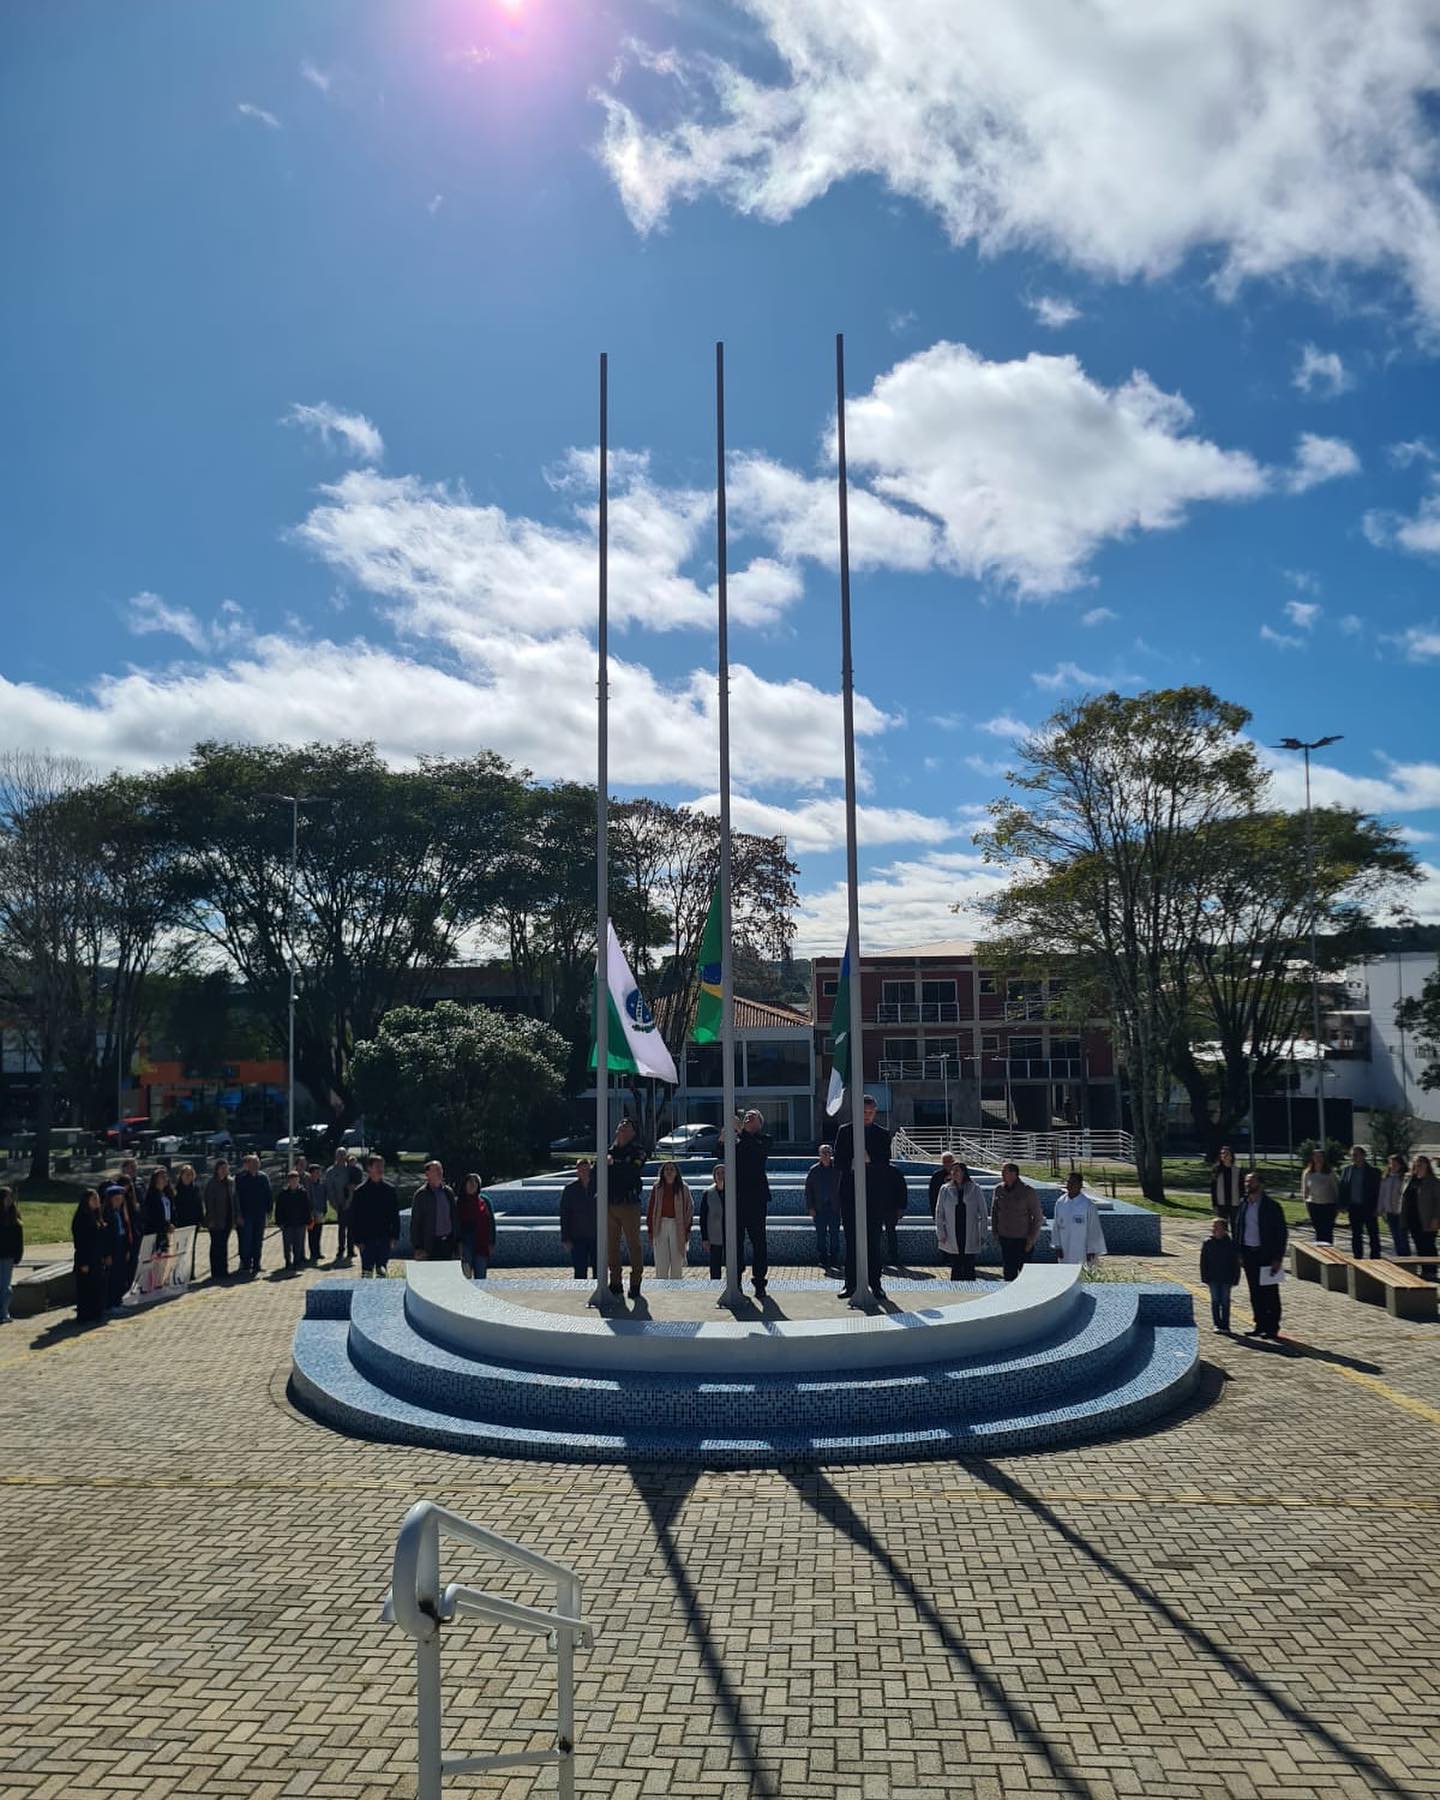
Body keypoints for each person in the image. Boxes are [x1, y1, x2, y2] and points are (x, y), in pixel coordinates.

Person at [835, 1094, 890, 1302]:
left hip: (873, 1195)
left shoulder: (882, 1134)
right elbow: (838, 1162)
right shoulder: (845, 1131)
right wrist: (852, 1163)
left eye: (870, 1112)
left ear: (875, 1113)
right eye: (864, 1112)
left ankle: (875, 1284)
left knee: (873, 1241)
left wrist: (870, 1160)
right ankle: (850, 1283)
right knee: (851, 1241)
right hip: (850, 1194)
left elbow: (885, 1163)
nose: (867, 1116)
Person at [1235, 1170, 1288, 1340]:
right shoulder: (1243, 1204)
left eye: (1251, 1181)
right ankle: (1259, 1324)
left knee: (1270, 1291)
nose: (1248, 1184)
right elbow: (1238, 1228)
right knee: (1255, 1291)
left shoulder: (1271, 1206)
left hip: (1266, 1254)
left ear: (1260, 1184)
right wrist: (1239, 1252)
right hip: (1248, 1253)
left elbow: (1281, 1233)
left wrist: (1278, 1258)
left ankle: (1272, 1327)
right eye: (1246, 1182)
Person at [605, 1117, 647, 1300]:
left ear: (632, 1133)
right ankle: (615, 1282)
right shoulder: (609, 1151)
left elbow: (632, 1170)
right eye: (620, 1126)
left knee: (633, 1245)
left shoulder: (638, 1151)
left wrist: (614, 1164)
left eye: (627, 1126)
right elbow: (598, 1171)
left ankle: (635, 1283)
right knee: (611, 1246)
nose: (622, 1128)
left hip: (629, 1204)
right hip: (610, 1204)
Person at [734, 1110, 771, 1300]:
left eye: (753, 1115)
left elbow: (758, 1153)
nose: (747, 1117)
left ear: (760, 1123)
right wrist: (725, 1137)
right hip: (736, 1198)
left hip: (756, 1199)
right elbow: (719, 1153)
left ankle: (759, 1283)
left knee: (759, 1242)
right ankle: (735, 1281)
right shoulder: (737, 1139)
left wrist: (743, 1132)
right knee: (735, 1242)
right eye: (746, 1115)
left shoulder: (765, 1139)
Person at [990, 1162, 1043, 1282]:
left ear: (1014, 1174)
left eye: (1005, 1171)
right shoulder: (999, 1190)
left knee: (1025, 1277)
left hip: (1022, 1240)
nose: (1002, 1174)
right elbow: (994, 1212)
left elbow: (1038, 1217)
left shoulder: (1027, 1191)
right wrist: (995, 1232)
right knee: (1008, 1273)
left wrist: (1031, 1240)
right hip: (1005, 1239)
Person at [934, 1161, 986, 1281]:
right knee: (956, 1264)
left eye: (957, 1170)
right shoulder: (945, 1189)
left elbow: (983, 1213)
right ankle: (956, 1287)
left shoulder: (975, 1189)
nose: (954, 1173)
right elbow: (939, 1213)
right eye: (953, 1170)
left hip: (969, 1231)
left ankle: (970, 1287)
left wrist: (983, 1234)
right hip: (953, 1231)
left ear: (964, 1172)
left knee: (969, 1264)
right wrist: (941, 1233)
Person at [351, 1154, 400, 1278]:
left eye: (382, 1166)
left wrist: (394, 1236)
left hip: (384, 1238)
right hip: (367, 1240)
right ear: (369, 1168)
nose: (381, 1169)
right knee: (367, 1273)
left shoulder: (389, 1190)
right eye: (377, 1166)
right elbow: (355, 1218)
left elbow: (395, 1214)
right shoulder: (360, 1192)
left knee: (382, 1272)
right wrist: (357, 1240)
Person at [647, 1160, 693, 1280]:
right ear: (662, 1172)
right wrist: (650, 1230)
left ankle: (675, 1287)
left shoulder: (683, 1187)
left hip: (677, 1226)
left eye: (672, 1169)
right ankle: (661, 1286)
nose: (669, 1172)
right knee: (661, 1260)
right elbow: (651, 1208)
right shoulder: (657, 1187)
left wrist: (687, 1229)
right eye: (666, 1169)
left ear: (677, 1172)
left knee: (677, 1260)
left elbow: (689, 1208)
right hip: (660, 1224)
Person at [1051, 1171, 1107, 1267]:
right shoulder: (1060, 1202)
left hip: (1082, 1250)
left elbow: (1094, 1228)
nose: (1070, 1185)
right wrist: (1057, 1245)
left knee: (1082, 1270)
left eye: (1074, 1182)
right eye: (1068, 1182)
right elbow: (1056, 1225)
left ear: (1080, 1185)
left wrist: (1092, 1250)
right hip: (1064, 1247)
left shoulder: (1088, 1205)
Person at [72, 1188, 110, 1324]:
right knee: (86, 1288)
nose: (97, 1201)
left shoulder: (96, 1216)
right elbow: (80, 1242)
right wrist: (83, 1262)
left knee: (98, 1286)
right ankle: (85, 1315)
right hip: (86, 1258)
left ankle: (96, 1313)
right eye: (93, 1199)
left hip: (97, 1258)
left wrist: (105, 1255)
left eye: (97, 1199)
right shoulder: (81, 1218)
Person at [1338, 1144, 1381, 1260]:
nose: (1354, 1158)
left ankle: (1375, 1259)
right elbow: (1342, 1188)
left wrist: (1378, 1207)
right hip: (1354, 1208)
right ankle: (1358, 1258)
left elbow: (1378, 1191)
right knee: (1356, 1234)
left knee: (1373, 1234)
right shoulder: (1347, 1170)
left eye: (1356, 1155)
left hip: (1369, 1207)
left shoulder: (1374, 1172)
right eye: (1352, 1155)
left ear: (1363, 1156)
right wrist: (1342, 1205)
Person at [1199, 1216, 1241, 1334]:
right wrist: (1204, 1276)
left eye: (1217, 1227)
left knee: (1225, 1301)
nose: (1214, 1229)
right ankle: (1217, 1323)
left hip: (1226, 1277)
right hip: (1213, 1277)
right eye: (1213, 1227)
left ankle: (1225, 1325)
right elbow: (1203, 1262)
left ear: (1224, 1229)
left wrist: (1235, 1278)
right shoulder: (1208, 1243)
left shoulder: (1231, 1244)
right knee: (1215, 1301)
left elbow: (1236, 1263)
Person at [410, 1160, 457, 1261]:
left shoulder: (448, 1192)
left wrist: (458, 1242)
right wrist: (417, 1247)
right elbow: (415, 1222)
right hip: (429, 1244)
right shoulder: (421, 1194)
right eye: (436, 1170)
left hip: (448, 1242)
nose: (440, 1172)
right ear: (427, 1174)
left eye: (441, 1169)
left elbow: (454, 1217)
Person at [804, 1142, 842, 1271]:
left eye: (828, 1152)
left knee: (835, 1235)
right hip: (819, 1208)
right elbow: (808, 1190)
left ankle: (834, 1259)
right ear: (819, 1155)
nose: (826, 1155)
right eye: (823, 1153)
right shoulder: (814, 1170)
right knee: (821, 1235)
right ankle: (823, 1259)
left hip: (834, 1208)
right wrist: (810, 1207)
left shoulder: (838, 1169)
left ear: (831, 1154)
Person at [1402, 1154, 1440, 1279]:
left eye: (1421, 1164)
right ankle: (1424, 1270)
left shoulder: (1433, 1182)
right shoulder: (1410, 1180)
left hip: (1427, 1219)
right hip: (1413, 1218)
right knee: (1419, 1245)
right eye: (1416, 1164)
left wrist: (1436, 1218)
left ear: (1427, 1166)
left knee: (1428, 1245)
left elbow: (1438, 1202)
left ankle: (1432, 1271)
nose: (1418, 1166)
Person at [558, 1160, 598, 1280]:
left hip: (597, 1237)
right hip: (577, 1238)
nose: (585, 1172)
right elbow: (564, 1215)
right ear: (577, 1172)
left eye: (587, 1170)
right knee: (580, 1271)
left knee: (599, 1272)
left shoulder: (599, 1187)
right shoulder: (570, 1189)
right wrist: (565, 1238)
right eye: (582, 1170)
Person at [321, 1148, 361, 1266]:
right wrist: (334, 1204)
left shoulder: (350, 1169)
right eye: (339, 1155)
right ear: (335, 1156)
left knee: (352, 1228)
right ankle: (341, 1249)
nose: (341, 1157)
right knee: (342, 1228)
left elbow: (357, 1181)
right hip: (340, 1204)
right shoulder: (331, 1171)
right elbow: (329, 1189)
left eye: (343, 1155)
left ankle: (351, 1250)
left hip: (352, 1203)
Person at [235, 1153, 273, 1277]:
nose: (256, 1165)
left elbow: (268, 1194)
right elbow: (237, 1198)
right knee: (246, 1240)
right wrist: (238, 1215)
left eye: (257, 1163)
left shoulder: (263, 1177)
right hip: (246, 1215)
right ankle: (246, 1264)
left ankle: (257, 1263)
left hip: (260, 1214)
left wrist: (269, 1210)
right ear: (247, 1164)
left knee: (258, 1240)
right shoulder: (240, 1178)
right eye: (253, 1163)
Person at [202, 1158, 237, 1282]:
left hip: (227, 1219)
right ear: (216, 1170)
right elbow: (209, 1202)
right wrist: (211, 1219)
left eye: (226, 1168)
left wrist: (235, 1217)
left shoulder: (231, 1182)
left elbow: (234, 1200)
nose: (224, 1171)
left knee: (223, 1245)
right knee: (216, 1245)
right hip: (216, 1220)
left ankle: (223, 1270)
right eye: (221, 1168)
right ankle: (215, 1271)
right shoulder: (212, 1183)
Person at [455, 1173, 496, 1279]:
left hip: (481, 1242)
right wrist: (458, 1243)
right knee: (466, 1275)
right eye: (470, 1182)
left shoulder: (485, 1201)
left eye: (475, 1182)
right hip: (465, 1243)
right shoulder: (458, 1203)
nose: (472, 1185)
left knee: (481, 1275)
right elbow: (455, 1224)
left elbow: (491, 1222)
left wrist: (491, 1242)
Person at [103, 1183, 137, 1311]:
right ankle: (111, 1304)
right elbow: (106, 1237)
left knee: (121, 1275)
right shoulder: (107, 1214)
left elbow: (126, 1231)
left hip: (122, 1245)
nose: (119, 1201)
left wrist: (127, 1249)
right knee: (113, 1277)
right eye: (116, 1199)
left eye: (121, 1199)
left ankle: (118, 1301)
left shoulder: (121, 1212)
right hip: (113, 1247)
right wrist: (107, 1254)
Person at [1301, 1148, 1339, 1244]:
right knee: (1318, 1231)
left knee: (1327, 1231)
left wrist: (1338, 1206)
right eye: (1316, 1156)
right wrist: (1306, 1203)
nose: (1318, 1159)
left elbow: (1336, 1190)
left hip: (1328, 1206)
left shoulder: (1330, 1173)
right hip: (1314, 1205)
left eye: (1320, 1156)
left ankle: (1329, 1250)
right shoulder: (1307, 1173)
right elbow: (1305, 1191)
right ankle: (1319, 1250)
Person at [275, 1168, 310, 1273]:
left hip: (299, 1223)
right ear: (289, 1181)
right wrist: (279, 1222)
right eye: (292, 1180)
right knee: (287, 1244)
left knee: (298, 1243)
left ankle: (297, 1261)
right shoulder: (283, 1194)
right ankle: (287, 1261)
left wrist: (307, 1220)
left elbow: (307, 1208)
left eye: (296, 1180)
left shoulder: (303, 1193)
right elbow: (279, 1209)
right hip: (287, 1223)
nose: (294, 1182)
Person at [699, 1163, 729, 1279]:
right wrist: (705, 1238)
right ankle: (715, 1284)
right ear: (714, 1176)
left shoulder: (733, 1191)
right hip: (714, 1235)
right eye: (718, 1173)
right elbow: (703, 1217)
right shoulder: (708, 1193)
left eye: (723, 1173)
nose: (721, 1175)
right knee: (715, 1265)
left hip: (730, 1235)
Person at [1378, 1153, 1410, 1259]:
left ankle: (1407, 1259)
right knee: (1395, 1236)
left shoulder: (1404, 1177)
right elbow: (1382, 1194)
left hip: (1401, 1212)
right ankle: (1400, 1257)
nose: (1393, 1166)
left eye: (1396, 1164)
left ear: (1401, 1165)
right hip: (1389, 1211)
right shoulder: (1386, 1177)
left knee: (1402, 1237)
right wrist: (1380, 1209)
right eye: (1391, 1164)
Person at [0, 1187, 21, 1324]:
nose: (9, 1200)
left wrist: (18, 1255)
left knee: (5, 1286)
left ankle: (4, 1313)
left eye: (10, 1197)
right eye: (6, 1197)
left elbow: (19, 1238)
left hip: (8, 1256)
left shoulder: (14, 1215)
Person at [882, 1160, 909, 1270]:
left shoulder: (895, 1171)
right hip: (885, 1207)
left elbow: (902, 1189)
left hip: (890, 1207)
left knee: (890, 1232)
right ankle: (890, 1256)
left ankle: (893, 1256)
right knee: (889, 1232)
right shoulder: (895, 1170)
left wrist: (901, 1207)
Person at [141, 1167, 174, 1251]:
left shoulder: (166, 1194)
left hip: (166, 1231)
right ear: (155, 1180)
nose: (165, 1178)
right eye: (162, 1177)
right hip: (155, 1232)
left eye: (166, 1176)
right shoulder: (151, 1196)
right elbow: (153, 1215)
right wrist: (165, 1225)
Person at [1210, 1146, 1242, 1220]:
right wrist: (1214, 1204)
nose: (1224, 1155)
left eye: (1226, 1153)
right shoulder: (1216, 1170)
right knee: (1222, 1224)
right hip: (1221, 1203)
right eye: (1222, 1153)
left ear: (1231, 1156)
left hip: (1235, 1203)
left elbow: (1241, 1188)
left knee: (1235, 1224)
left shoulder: (1237, 1170)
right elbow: (1213, 1188)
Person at [172, 1163, 204, 1231]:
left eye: (190, 1174)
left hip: (194, 1223)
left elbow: (199, 1205)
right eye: (186, 1174)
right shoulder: (176, 1190)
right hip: (180, 1224)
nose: (188, 1176)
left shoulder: (196, 1189)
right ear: (181, 1175)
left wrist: (201, 1220)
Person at [926, 1152, 956, 1219]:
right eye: (945, 1162)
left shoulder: (960, 1174)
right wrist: (934, 1213)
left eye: (949, 1161)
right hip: (942, 1209)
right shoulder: (937, 1176)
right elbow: (932, 1195)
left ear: (953, 1161)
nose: (947, 1164)